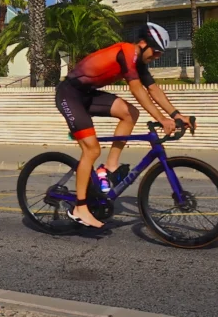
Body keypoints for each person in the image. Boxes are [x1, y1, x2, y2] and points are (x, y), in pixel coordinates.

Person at [55, 22, 193, 229]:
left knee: (130, 113)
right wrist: (162, 119)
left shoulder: (139, 63)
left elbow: (153, 90)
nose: (157, 57)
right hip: (69, 95)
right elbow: (137, 90)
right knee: (92, 150)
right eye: (156, 51)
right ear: (143, 44)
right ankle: (80, 209)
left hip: (88, 95)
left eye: (160, 54)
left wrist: (176, 115)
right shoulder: (127, 52)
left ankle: (110, 166)